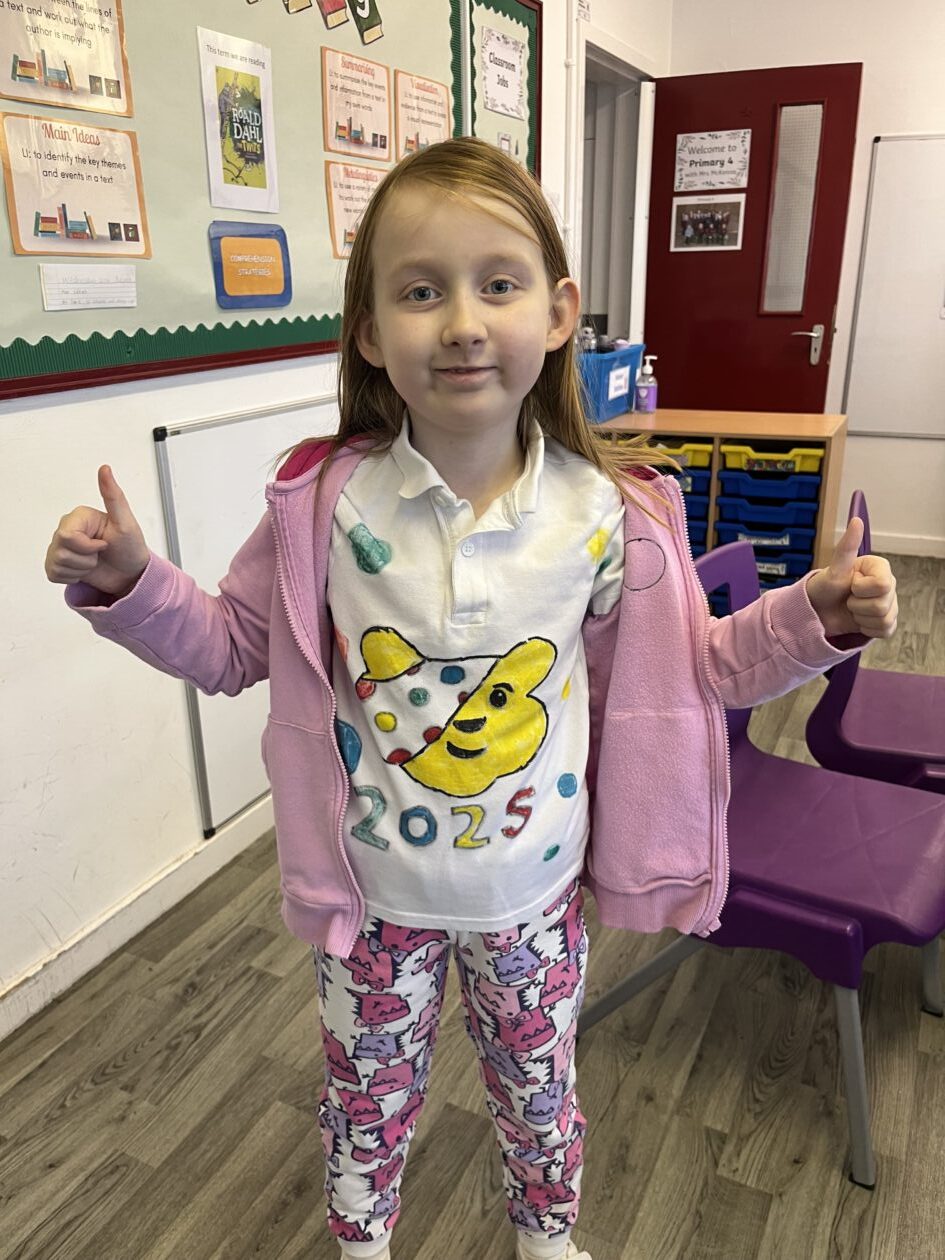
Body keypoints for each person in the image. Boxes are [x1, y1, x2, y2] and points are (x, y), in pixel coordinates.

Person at [44, 137, 898, 1260]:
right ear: (368, 331)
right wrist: (132, 582)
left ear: (557, 313)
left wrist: (815, 615)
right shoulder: (324, 502)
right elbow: (231, 646)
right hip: (370, 901)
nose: (460, 322)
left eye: (498, 284)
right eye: (420, 291)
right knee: (364, 1101)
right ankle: (362, 1245)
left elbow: (700, 669)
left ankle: (547, 1240)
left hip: (534, 899)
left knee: (540, 1095)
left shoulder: (608, 511)